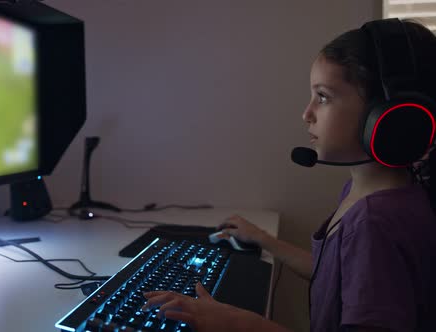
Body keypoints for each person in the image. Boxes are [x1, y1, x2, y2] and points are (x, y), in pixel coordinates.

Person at [142, 18, 436, 332]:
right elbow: (337, 276)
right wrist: (264, 240)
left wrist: (237, 323)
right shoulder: (373, 194)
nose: (306, 113)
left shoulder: (375, 222)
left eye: (323, 97)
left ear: (391, 117)